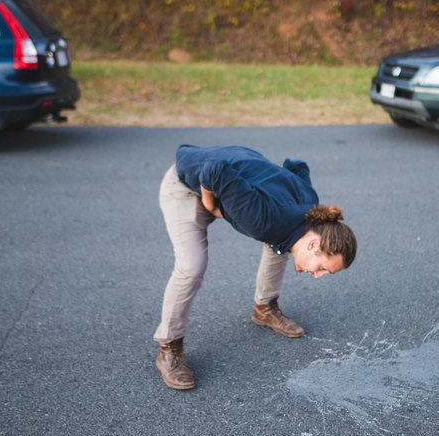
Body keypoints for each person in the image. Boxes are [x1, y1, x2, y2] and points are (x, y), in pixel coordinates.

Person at [153, 144, 357, 390]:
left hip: (230, 184)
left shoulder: (309, 209)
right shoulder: (262, 219)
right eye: (323, 268)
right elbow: (214, 170)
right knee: (192, 266)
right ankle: (169, 347)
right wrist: (210, 205)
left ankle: (264, 308)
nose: (317, 275)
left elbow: (297, 166)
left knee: (284, 242)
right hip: (187, 185)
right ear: (314, 243)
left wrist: (267, 183)